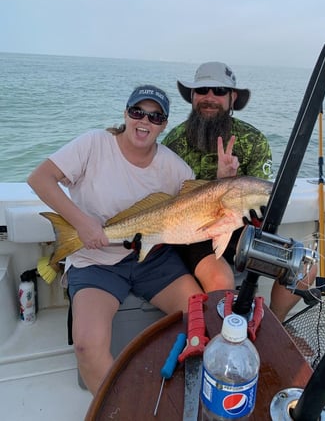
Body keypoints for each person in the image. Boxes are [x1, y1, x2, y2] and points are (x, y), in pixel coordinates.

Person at [27, 85, 203, 395]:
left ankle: (177, 394)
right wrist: (82, 223)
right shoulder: (94, 143)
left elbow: (201, 204)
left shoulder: (174, 167)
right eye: (138, 112)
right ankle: (118, 409)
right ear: (125, 113)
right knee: (86, 345)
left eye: (155, 116)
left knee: (202, 321)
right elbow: (40, 178)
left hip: (152, 258)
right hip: (95, 261)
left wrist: (227, 180)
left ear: (163, 125)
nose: (144, 121)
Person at [162, 62, 316, 321]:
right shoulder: (173, 142)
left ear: (232, 98)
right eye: (202, 90)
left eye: (219, 90)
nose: (209, 97)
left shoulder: (253, 141)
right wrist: (219, 183)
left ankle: (275, 325)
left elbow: (262, 201)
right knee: (221, 280)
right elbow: (165, 201)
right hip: (195, 230)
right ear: (192, 96)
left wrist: (232, 186)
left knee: (305, 267)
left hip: (243, 228)